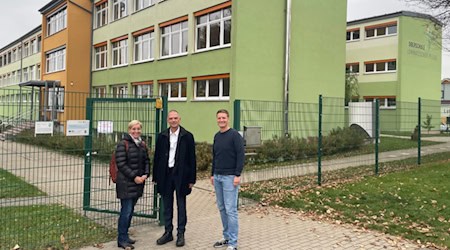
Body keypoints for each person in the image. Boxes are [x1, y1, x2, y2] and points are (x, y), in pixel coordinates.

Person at [153, 110, 196, 247]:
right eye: (171, 118)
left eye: (175, 118)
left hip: (181, 175)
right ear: (167, 120)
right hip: (165, 174)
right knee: (167, 205)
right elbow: (157, 157)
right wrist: (155, 176)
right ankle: (168, 232)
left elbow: (192, 159)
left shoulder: (187, 136)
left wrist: (191, 179)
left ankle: (181, 233)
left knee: (181, 205)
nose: (173, 120)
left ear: (179, 119)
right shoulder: (162, 136)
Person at [211, 109, 245, 250]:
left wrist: (237, 175)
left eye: (224, 118)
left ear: (228, 119)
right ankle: (226, 237)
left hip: (230, 177)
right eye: (219, 118)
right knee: (222, 208)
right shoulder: (217, 136)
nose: (221, 120)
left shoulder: (235, 135)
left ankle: (233, 243)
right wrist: (212, 174)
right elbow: (215, 156)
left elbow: (240, 155)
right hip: (218, 176)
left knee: (231, 210)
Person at [115, 120, 150, 249]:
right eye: (133, 129)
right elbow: (121, 164)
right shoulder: (122, 144)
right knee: (126, 211)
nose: (136, 131)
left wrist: (146, 174)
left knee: (130, 211)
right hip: (126, 184)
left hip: (138, 183)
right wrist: (134, 177)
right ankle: (121, 239)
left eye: (138, 129)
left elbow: (147, 160)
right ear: (129, 130)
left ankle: (125, 236)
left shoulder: (142, 144)